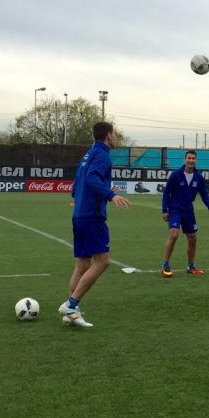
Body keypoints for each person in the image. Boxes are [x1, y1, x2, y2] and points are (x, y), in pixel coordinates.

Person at [58, 122, 131, 327]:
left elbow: (75, 188)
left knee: (82, 263)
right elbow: (91, 179)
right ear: (108, 135)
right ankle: (71, 305)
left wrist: (105, 189)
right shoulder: (102, 155)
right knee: (103, 261)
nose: (115, 137)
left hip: (80, 214)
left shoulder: (88, 155)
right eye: (114, 133)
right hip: (92, 216)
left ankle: (71, 314)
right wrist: (110, 194)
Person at [161, 150, 209, 277]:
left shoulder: (198, 177)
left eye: (193, 158)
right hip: (175, 209)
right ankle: (165, 265)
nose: (191, 160)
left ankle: (191, 266)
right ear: (184, 159)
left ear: (196, 160)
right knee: (174, 235)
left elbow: (204, 194)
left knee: (192, 238)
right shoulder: (176, 175)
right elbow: (166, 193)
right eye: (189, 158)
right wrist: (165, 210)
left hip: (188, 211)